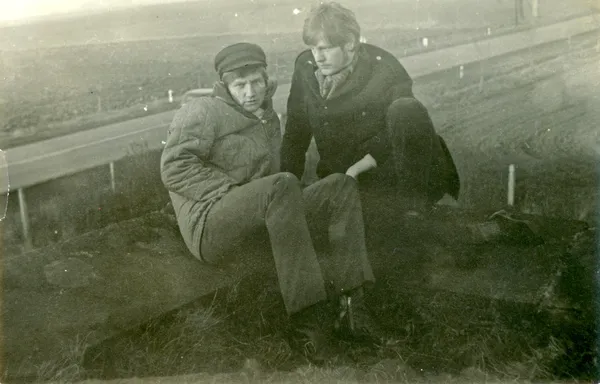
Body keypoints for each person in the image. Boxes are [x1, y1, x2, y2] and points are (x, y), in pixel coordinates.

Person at [160, 42, 382, 361]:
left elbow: (274, 178)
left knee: (340, 185)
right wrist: (236, 191)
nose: (250, 92)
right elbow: (175, 167)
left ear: (266, 82)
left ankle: (353, 309)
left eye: (256, 83)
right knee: (281, 185)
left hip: (256, 211)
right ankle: (308, 327)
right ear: (225, 85)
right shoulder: (202, 111)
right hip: (210, 223)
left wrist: (273, 197)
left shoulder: (267, 118)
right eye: (240, 85)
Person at [280, 2, 460, 239]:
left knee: (405, 107)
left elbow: (407, 123)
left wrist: (359, 167)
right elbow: (296, 133)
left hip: (394, 174)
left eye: (325, 48)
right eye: (313, 48)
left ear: (350, 44)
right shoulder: (305, 68)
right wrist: (285, 190)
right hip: (344, 179)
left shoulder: (383, 67)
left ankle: (414, 211)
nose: (318, 57)